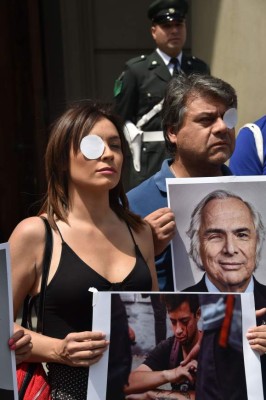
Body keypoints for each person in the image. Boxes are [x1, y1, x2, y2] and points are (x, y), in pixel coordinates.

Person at [9, 100, 158, 400]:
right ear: (63, 159)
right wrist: (57, 350)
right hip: (67, 392)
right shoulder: (36, 234)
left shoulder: (140, 232)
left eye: (115, 145)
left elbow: (156, 326)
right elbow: (0, 323)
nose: (108, 154)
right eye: (92, 145)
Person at [127, 73, 238, 292]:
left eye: (228, 118)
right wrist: (146, 250)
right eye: (206, 120)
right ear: (172, 132)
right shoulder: (133, 206)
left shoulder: (255, 197)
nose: (222, 128)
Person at [114, 0, 210, 191]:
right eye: (167, 26)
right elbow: (120, 116)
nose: (174, 31)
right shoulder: (137, 70)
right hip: (150, 159)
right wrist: (131, 136)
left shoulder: (198, 68)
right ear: (154, 31)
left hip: (190, 156)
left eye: (178, 25)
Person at [183, 189, 266, 395]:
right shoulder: (182, 304)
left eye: (242, 235)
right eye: (215, 236)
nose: (230, 248)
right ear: (197, 245)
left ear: (257, 242)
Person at [124, 294, 200, 399]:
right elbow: (128, 384)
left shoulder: (212, 348)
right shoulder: (170, 347)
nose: (178, 330)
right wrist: (169, 374)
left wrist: (151, 394)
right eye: (173, 322)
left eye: (184, 321)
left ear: (198, 314)